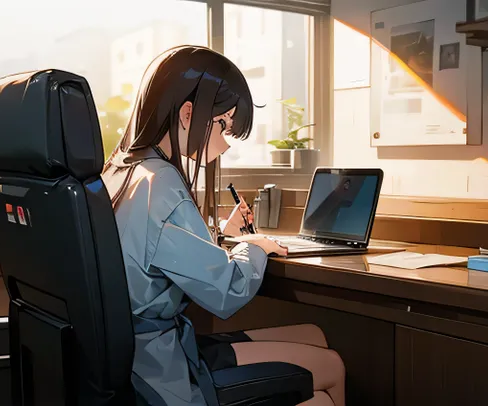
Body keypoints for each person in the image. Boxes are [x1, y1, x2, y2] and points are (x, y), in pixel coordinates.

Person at [101, 45, 345, 406]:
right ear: (187, 114)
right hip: (162, 377)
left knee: (312, 334)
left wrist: (221, 235)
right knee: (331, 367)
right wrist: (254, 247)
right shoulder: (162, 182)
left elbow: (156, 249)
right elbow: (227, 291)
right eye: (223, 125)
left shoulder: (122, 170)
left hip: (136, 359)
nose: (225, 143)